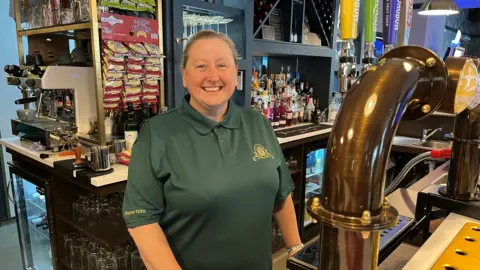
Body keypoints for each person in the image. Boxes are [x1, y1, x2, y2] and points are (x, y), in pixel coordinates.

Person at [122, 30, 302, 270]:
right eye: (201, 66)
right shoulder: (156, 134)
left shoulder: (257, 123)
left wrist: (296, 250)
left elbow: (282, 196)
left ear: (234, 73)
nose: (213, 76)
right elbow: (142, 222)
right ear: (184, 75)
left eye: (222, 65)